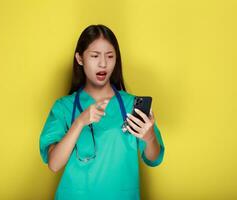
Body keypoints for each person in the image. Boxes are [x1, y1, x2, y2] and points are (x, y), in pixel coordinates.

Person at [39, 24, 165, 200]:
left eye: (110, 56)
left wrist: (150, 137)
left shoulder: (130, 105)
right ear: (80, 58)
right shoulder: (64, 107)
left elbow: (154, 158)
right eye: (95, 56)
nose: (103, 63)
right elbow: (54, 164)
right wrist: (79, 122)